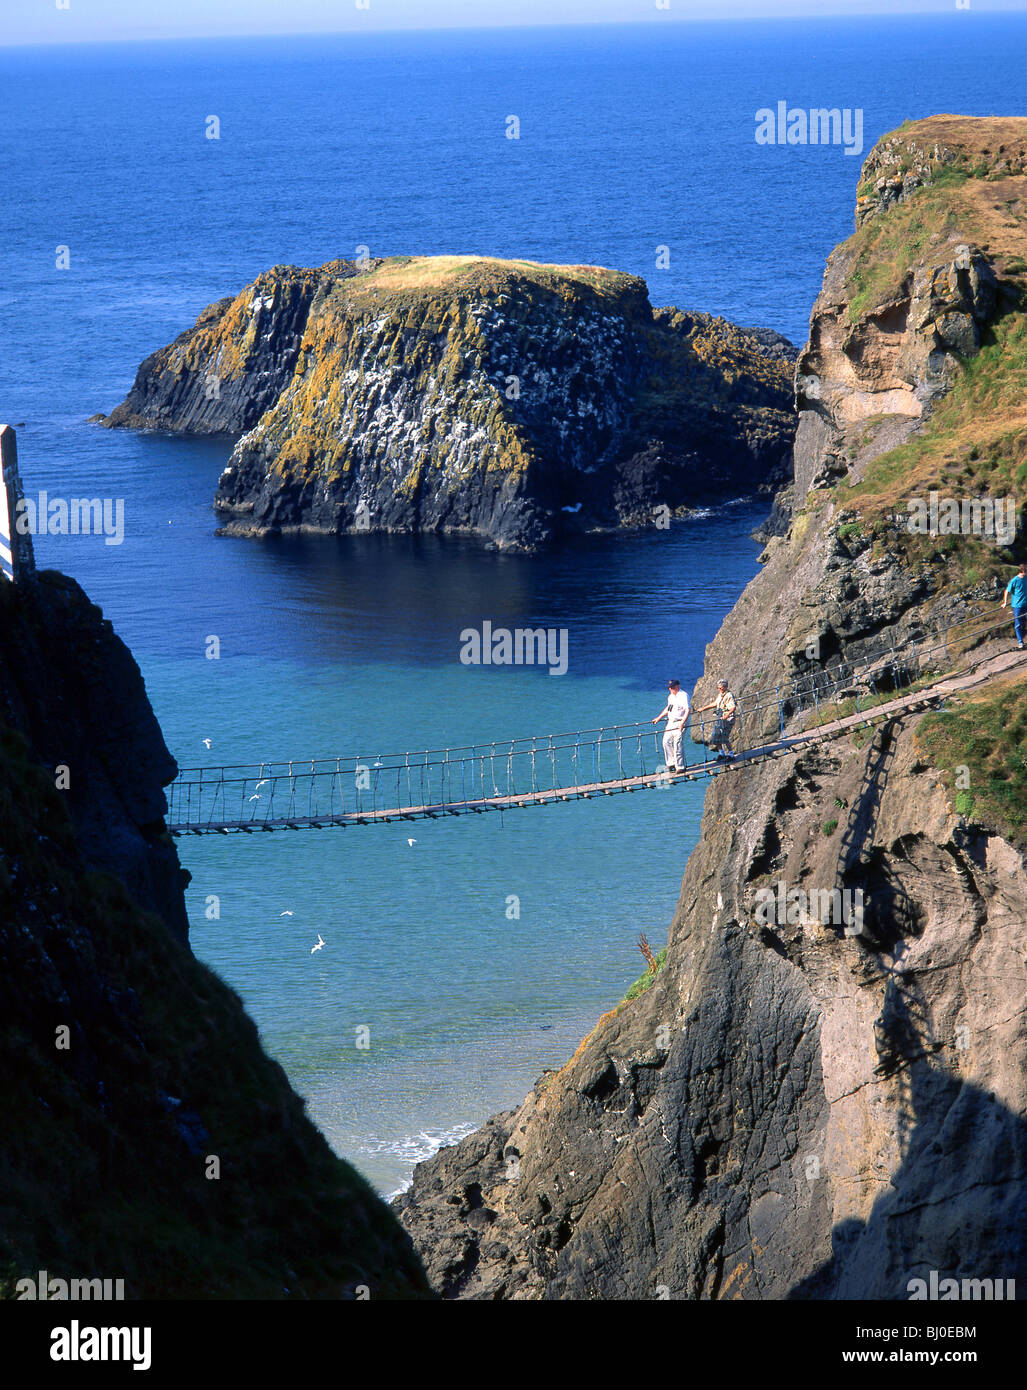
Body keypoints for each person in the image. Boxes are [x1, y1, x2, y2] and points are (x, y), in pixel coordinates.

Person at [652, 679, 690, 773]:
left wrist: (682, 722)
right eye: (670, 687)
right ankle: (671, 763)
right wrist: (659, 717)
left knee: (677, 743)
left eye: (672, 687)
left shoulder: (684, 695)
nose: (671, 689)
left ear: (678, 686)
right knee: (666, 741)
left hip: (680, 721)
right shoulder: (670, 697)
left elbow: (687, 710)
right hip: (671, 722)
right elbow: (668, 709)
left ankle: (680, 766)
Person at [696, 680, 738, 761]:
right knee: (716, 736)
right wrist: (703, 708)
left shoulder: (729, 695)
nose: (719, 689)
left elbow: (733, 707)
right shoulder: (720, 694)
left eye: (721, 688)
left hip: (728, 719)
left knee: (724, 737)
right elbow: (715, 703)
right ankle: (721, 753)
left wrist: (727, 715)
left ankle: (731, 755)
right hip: (720, 718)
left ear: (726, 687)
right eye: (718, 688)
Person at [1002, 562, 1027, 650]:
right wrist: (1005, 602)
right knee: (1018, 624)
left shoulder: (1026, 578)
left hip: (1026, 604)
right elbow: (1007, 591)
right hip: (1017, 606)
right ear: (1023, 571)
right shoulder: (1014, 580)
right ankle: (1020, 642)